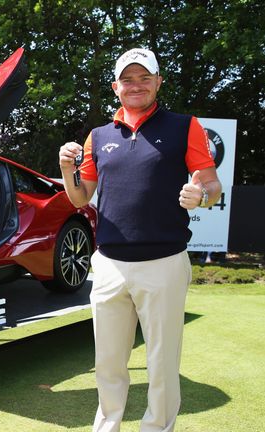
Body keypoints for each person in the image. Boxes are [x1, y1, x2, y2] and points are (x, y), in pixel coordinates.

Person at [58, 48, 222, 432]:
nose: (135, 85)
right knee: (108, 361)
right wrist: (68, 171)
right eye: (127, 79)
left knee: (161, 363)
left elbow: (211, 184)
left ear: (158, 82)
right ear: (115, 87)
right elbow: (81, 198)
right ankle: (107, 426)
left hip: (163, 262)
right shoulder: (97, 137)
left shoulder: (185, 126)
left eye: (144, 77)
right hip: (110, 264)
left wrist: (202, 196)